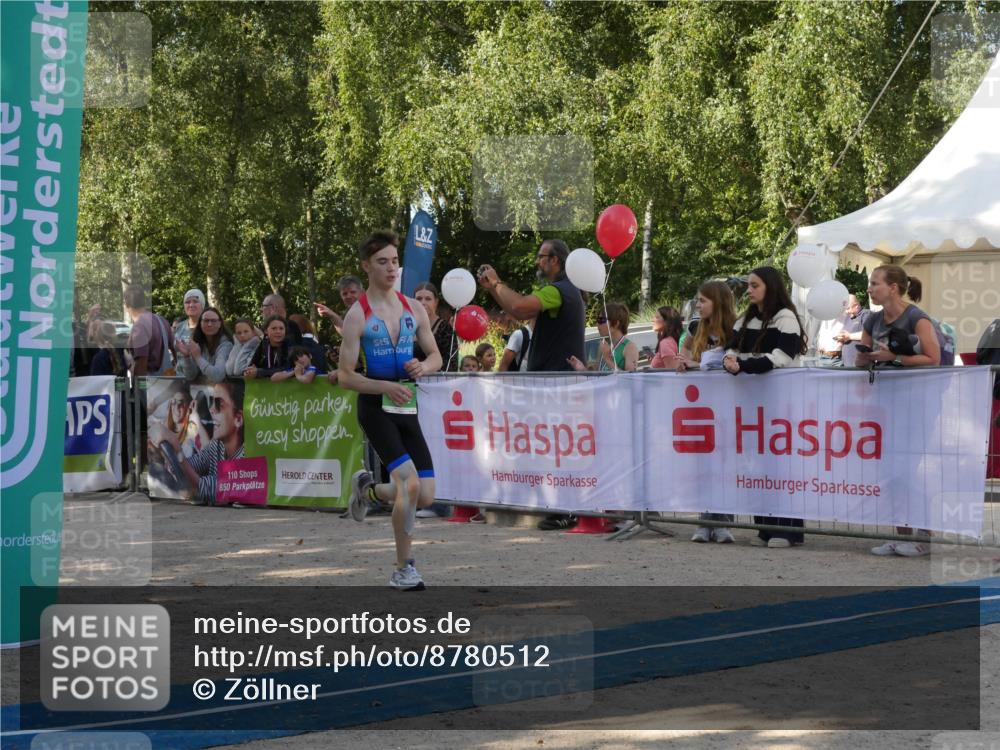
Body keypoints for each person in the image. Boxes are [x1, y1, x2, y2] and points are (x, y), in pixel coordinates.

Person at [338, 230, 442, 591]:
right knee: (409, 486)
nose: (391, 268)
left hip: (406, 405)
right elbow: (345, 377)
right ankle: (403, 568)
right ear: (366, 266)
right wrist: (385, 386)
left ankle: (368, 491)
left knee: (425, 495)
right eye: (382, 262)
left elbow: (435, 355)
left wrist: (422, 367)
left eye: (395, 261)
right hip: (375, 407)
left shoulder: (414, 308)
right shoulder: (357, 315)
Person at [858, 266, 940, 558]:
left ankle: (924, 537)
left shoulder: (917, 317)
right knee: (891, 472)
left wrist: (896, 357)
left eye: (874, 283)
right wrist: (863, 357)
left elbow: (933, 358)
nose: (870, 288)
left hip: (917, 404)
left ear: (893, 287)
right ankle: (899, 534)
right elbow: (860, 359)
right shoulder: (872, 319)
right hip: (884, 404)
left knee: (910, 472)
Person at [723, 267, 808, 549]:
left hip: (782, 403)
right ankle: (764, 528)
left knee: (782, 466)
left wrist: (743, 366)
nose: (748, 290)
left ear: (770, 287)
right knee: (757, 465)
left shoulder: (786, 318)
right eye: (748, 285)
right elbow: (731, 349)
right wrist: (730, 362)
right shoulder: (745, 319)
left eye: (754, 285)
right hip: (751, 403)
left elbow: (782, 357)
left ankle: (788, 530)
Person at [676, 281, 738, 543]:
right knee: (703, 464)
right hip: (702, 406)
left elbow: (733, 360)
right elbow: (684, 353)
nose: (698, 305)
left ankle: (722, 522)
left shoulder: (736, 328)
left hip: (729, 405)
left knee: (724, 464)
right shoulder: (696, 327)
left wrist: (697, 363)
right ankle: (704, 521)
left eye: (703, 301)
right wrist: (683, 362)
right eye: (698, 300)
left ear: (718, 302)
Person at [477, 239, 585, 372]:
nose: (536, 262)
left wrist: (495, 282)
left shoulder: (557, 291)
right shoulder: (566, 289)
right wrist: (492, 288)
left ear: (554, 260)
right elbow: (519, 314)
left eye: (541, 257)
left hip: (556, 377)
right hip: (556, 376)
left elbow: (518, 306)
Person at [149, 380, 245, 506]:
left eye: (218, 404)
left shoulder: (247, 458)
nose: (211, 409)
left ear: (238, 418)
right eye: (211, 402)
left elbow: (202, 488)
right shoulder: (217, 446)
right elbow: (191, 465)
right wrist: (162, 455)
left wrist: (176, 449)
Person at [569, 303, 638, 372]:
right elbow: (597, 373)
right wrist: (582, 368)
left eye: (601, 320)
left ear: (616, 324)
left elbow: (630, 377)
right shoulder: (604, 345)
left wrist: (607, 359)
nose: (597, 324)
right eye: (597, 320)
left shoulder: (629, 347)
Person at [124, 284, 174, 376]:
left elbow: (141, 365)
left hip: (149, 383)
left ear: (126, 305)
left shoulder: (139, 327)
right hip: (168, 381)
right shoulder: (162, 320)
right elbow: (176, 352)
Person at [177, 307, 234, 384]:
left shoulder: (226, 345)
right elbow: (190, 376)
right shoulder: (198, 342)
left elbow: (218, 376)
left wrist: (198, 358)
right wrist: (186, 357)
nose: (209, 324)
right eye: (206, 320)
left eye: (213, 321)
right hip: (203, 389)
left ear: (220, 324)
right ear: (200, 323)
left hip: (224, 390)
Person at [413, 281, 459, 371]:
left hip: (435, 378)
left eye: (428, 299)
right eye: (419, 299)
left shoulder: (445, 329)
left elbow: (451, 364)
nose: (423, 302)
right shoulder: (406, 325)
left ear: (436, 302)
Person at [832, 295, 869, 368]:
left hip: (860, 363)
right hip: (847, 362)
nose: (846, 311)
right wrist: (841, 338)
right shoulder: (849, 318)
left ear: (856, 306)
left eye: (848, 308)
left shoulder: (866, 314)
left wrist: (849, 336)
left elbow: (868, 334)